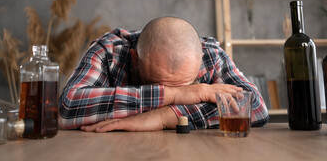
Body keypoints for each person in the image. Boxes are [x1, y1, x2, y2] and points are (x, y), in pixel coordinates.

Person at [59, 17, 269, 132]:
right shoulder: (109, 50)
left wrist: (165, 117)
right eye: (157, 84)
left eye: (187, 86)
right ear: (134, 59)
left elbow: (256, 108)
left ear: (199, 61)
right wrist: (175, 96)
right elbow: (67, 108)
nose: (181, 92)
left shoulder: (210, 54)